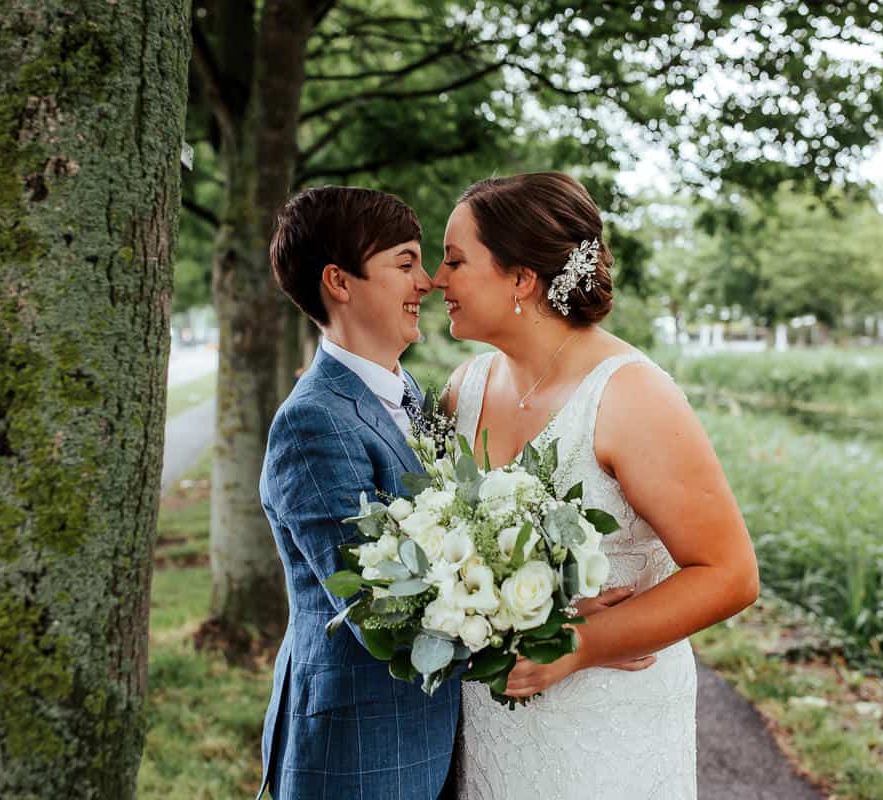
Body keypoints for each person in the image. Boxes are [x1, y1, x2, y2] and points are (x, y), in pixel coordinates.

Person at [432, 172, 760, 799]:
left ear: (521, 278)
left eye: (455, 259)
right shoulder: (463, 388)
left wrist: (579, 644)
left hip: (605, 729)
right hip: (490, 725)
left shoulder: (631, 396)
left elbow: (730, 573)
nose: (437, 279)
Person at [257, 187, 457, 800]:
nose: (426, 283)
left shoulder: (413, 397)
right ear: (339, 282)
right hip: (359, 750)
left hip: (427, 738)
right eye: (404, 263)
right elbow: (380, 608)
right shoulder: (313, 422)